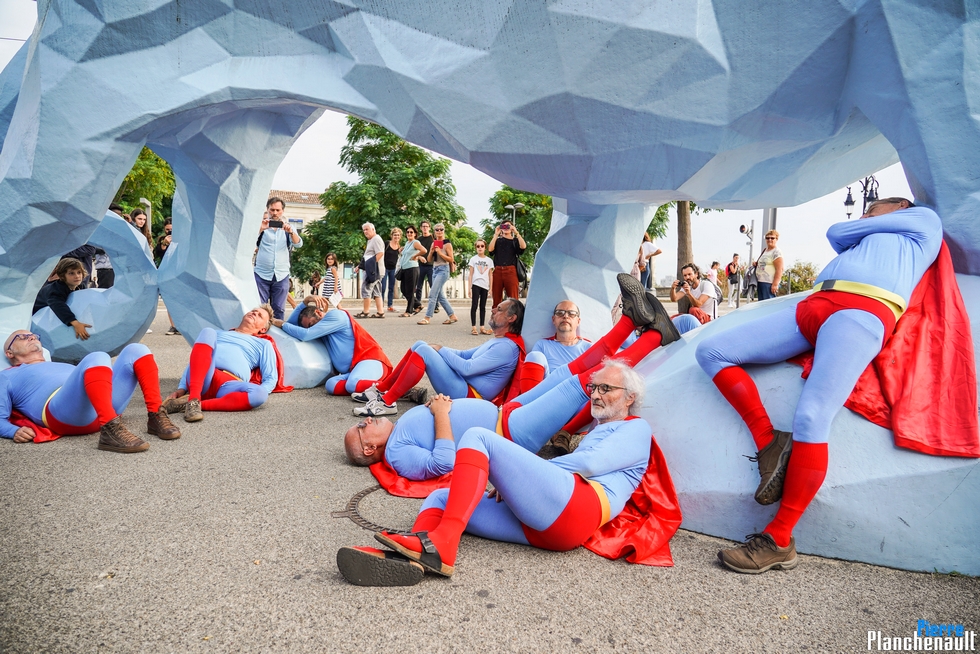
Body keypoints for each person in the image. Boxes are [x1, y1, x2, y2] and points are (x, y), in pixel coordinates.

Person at [695, 198, 943, 574]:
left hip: (863, 311)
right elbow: (838, 234)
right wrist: (871, 226)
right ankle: (768, 441)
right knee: (712, 350)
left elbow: (838, 232)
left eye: (872, 208)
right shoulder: (881, 234)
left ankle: (779, 538)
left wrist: (866, 227)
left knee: (812, 417)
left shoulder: (923, 220)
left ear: (900, 205)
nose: (863, 214)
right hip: (814, 305)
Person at [337, 359, 651, 585]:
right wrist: (521, 484)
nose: (596, 394)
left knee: (478, 436)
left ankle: (444, 544)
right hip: (546, 523)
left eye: (606, 388)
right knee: (440, 497)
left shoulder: (637, 429)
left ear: (630, 397)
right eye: (595, 387)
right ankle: (417, 555)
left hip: (579, 510)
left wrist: (523, 477)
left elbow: (589, 465)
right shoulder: (601, 429)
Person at [1, 330, 180, 452]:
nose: (31, 337)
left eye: (33, 335)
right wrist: (12, 431)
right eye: (22, 337)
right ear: (9, 353)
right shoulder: (7, 376)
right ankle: (110, 431)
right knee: (98, 356)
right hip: (62, 413)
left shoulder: (58, 364)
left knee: (137, 349)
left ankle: (156, 416)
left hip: (102, 406)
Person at [357, 298, 523, 416]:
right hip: (464, 386)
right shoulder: (500, 341)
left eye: (499, 309)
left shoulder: (506, 348)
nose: (493, 310)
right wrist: (436, 348)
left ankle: (387, 402)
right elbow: (464, 355)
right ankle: (381, 390)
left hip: (469, 395)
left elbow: (467, 368)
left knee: (423, 352)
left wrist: (440, 350)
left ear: (511, 318)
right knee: (421, 344)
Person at [163, 305, 282, 422]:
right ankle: (194, 398)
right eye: (253, 311)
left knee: (260, 394)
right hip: (204, 376)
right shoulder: (217, 334)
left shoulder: (263, 344)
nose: (254, 313)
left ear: (263, 329)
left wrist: (258, 391)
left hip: (229, 384)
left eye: (260, 315)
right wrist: (182, 388)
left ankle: (195, 404)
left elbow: (271, 378)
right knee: (208, 331)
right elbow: (195, 361)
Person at [272, 299, 392, 396]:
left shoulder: (336, 315)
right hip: (353, 370)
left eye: (311, 324)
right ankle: (370, 388)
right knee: (331, 385)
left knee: (352, 384)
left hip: (370, 360)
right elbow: (292, 325)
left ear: (318, 313)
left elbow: (304, 334)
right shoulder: (319, 329)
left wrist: (282, 323)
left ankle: (396, 387)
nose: (311, 328)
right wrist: (305, 302)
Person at [253, 197, 303, 320]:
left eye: (277, 210)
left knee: (279, 309)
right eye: (272, 210)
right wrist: (260, 229)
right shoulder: (259, 226)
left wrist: (291, 232)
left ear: (282, 211)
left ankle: (276, 336)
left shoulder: (289, 227)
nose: (275, 213)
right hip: (261, 274)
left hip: (281, 274)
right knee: (260, 308)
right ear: (267, 210)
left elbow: (298, 244)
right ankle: (260, 333)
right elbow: (247, 242)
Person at [522, 301, 590, 389]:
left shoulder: (588, 348)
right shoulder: (542, 345)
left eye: (572, 314)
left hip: (577, 394)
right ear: (553, 320)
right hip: (548, 394)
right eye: (560, 313)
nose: (565, 316)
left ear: (578, 321)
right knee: (534, 356)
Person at [33, 258, 93, 340]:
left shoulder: (80, 286)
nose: (77, 276)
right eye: (71, 273)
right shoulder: (56, 290)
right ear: (62, 276)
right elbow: (58, 305)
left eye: (79, 272)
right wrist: (75, 323)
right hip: (38, 315)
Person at [416, 223, 457, 325]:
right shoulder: (433, 243)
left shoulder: (447, 244)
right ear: (434, 231)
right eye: (437, 230)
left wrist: (440, 252)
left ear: (444, 230)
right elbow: (429, 260)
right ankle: (452, 316)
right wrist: (431, 251)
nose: (439, 231)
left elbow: (451, 259)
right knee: (440, 296)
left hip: (443, 270)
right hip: (435, 269)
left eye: (441, 229)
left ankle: (427, 317)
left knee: (432, 294)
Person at [488, 220, 526, 309]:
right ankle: (496, 319)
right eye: (504, 226)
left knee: (513, 299)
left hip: (511, 270)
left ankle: (514, 320)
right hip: (497, 270)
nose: (506, 228)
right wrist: (496, 234)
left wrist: (516, 232)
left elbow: (523, 247)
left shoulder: (515, 241)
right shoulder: (498, 241)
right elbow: (490, 250)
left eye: (508, 226)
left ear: (512, 228)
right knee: (496, 299)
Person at [355, 222, 385, 318]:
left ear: (373, 229)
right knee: (376, 291)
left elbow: (380, 253)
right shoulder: (370, 240)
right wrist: (359, 266)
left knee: (366, 289)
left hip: (374, 270)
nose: (365, 232)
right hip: (375, 270)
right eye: (364, 230)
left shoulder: (376, 239)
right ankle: (380, 312)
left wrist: (369, 266)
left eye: (367, 229)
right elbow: (367, 256)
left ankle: (365, 311)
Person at [396, 227, 426, 316]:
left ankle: (408, 311)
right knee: (403, 290)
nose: (409, 233)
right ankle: (418, 305)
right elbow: (408, 252)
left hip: (412, 269)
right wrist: (402, 249)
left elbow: (424, 250)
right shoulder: (407, 243)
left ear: (415, 234)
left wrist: (416, 256)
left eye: (411, 232)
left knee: (409, 290)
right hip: (405, 269)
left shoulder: (415, 242)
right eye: (408, 232)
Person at [467, 240, 494, 335]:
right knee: (474, 305)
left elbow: (491, 275)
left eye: (482, 246)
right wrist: (469, 288)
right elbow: (470, 274)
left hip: (485, 286)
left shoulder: (489, 261)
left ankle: (482, 327)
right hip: (476, 284)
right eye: (478, 246)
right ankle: (473, 327)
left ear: (485, 247)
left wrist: (491, 288)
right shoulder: (473, 259)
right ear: (476, 248)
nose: (480, 248)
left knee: (483, 306)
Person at [413, 221, 435, 314]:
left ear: (429, 227)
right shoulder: (418, 240)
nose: (425, 228)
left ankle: (435, 306)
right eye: (423, 226)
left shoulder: (433, 238)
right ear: (421, 228)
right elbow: (414, 251)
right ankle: (418, 305)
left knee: (433, 286)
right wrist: (419, 257)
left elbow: (439, 250)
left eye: (427, 226)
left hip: (431, 266)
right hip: (420, 265)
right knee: (418, 286)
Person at [755, 230, 784, 301]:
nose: (769, 240)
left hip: (769, 283)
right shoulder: (765, 250)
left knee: (768, 303)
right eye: (767, 238)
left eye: (772, 238)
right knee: (761, 304)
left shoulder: (776, 252)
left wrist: (775, 284)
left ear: (776, 239)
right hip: (760, 281)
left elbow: (779, 269)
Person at [382, 227, 403, 312]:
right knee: (383, 287)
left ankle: (390, 305)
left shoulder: (399, 247)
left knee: (391, 288)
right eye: (395, 235)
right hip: (384, 268)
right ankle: (381, 305)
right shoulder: (387, 243)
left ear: (400, 236)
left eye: (398, 235)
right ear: (392, 235)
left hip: (393, 269)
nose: (396, 237)